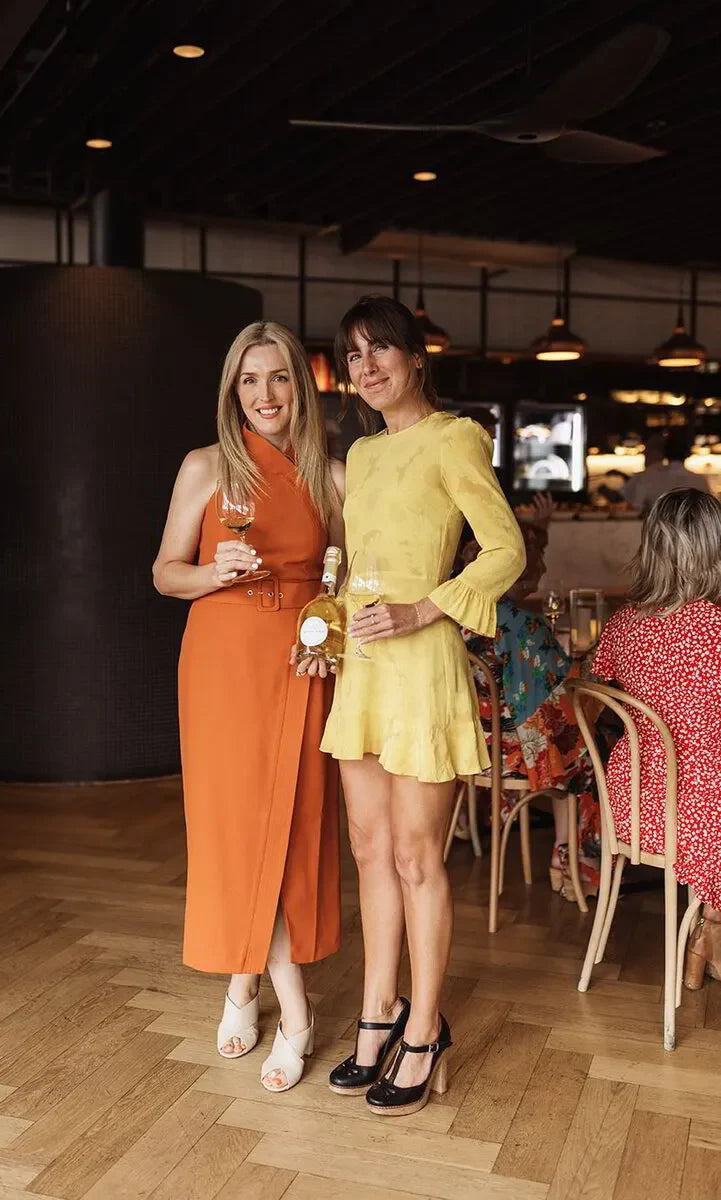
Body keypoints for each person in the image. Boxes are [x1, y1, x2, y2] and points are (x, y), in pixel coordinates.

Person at [320, 295, 525, 1116]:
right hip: (362, 668)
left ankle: (425, 1026)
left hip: (422, 666)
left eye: (381, 352)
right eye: (354, 357)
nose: (367, 370)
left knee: (414, 859)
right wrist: (324, 625)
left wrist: (424, 607)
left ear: (414, 358)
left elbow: (506, 547)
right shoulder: (362, 455)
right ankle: (377, 1014)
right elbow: (352, 558)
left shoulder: (455, 438)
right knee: (368, 853)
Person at [152, 321, 345, 1092]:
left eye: (279, 379)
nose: (264, 395)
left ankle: (242, 986)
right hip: (221, 664)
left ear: (302, 385)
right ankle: (293, 1010)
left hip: (297, 662)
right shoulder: (204, 467)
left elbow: (345, 580)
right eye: (248, 381)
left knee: (292, 829)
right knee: (232, 829)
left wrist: (329, 634)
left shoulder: (332, 475)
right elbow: (165, 574)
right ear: (232, 391)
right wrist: (212, 573)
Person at [591, 488, 721, 987]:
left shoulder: (623, 624)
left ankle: (707, 934)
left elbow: (596, 690)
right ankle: (709, 929)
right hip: (699, 811)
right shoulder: (716, 626)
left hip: (634, 803)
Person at [461, 524, 601, 901]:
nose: (539, 567)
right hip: (509, 752)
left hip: (470, 745)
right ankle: (568, 860)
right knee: (588, 753)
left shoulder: (458, 616)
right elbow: (559, 690)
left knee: (569, 740)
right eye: (534, 558)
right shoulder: (523, 625)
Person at [625, 429, 710, 510]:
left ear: (664, 453)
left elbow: (636, 506)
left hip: (658, 524)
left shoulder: (649, 477)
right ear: (688, 454)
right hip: (692, 525)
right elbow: (709, 512)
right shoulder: (700, 481)